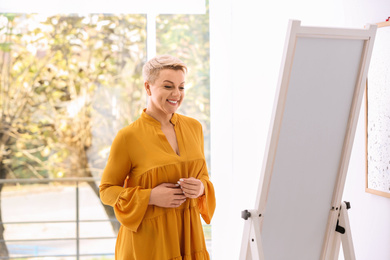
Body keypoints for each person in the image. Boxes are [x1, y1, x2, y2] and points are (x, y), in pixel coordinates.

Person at [99, 54, 216, 260]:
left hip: (188, 237)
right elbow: (107, 191)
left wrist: (200, 188)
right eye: (168, 86)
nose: (176, 94)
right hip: (148, 244)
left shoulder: (194, 127)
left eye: (181, 87)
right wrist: (150, 196)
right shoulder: (128, 137)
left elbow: (203, 178)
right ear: (148, 88)